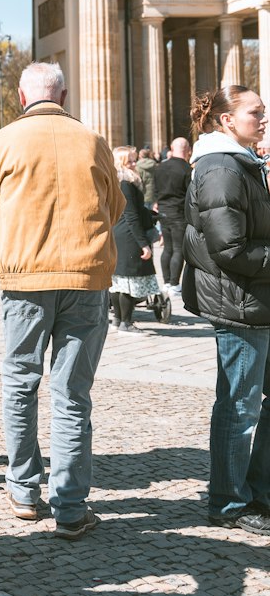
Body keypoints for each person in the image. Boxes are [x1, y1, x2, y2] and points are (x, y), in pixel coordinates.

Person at [0, 61, 123, 538]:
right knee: (72, 393)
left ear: (21, 97)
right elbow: (114, 205)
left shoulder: (1, 142)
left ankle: (22, 490)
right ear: (65, 94)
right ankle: (72, 506)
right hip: (86, 275)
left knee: (20, 382)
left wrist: (13, 247)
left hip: (26, 278)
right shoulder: (92, 140)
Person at [183, 85, 270, 534]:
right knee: (239, 407)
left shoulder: (242, 163)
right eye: (255, 112)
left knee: (248, 404)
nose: (264, 118)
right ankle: (230, 503)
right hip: (239, 302)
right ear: (226, 120)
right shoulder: (220, 167)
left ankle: (258, 492)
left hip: (257, 299)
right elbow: (229, 247)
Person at [109, 146, 159, 332]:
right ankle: (126, 322)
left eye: (134, 159)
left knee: (119, 279)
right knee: (130, 279)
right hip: (129, 236)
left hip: (118, 232)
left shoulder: (117, 181)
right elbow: (131, 216)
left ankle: (118, 319)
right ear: (121, 163)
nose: (134, 163)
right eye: (129, 160)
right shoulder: (126, 182)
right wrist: (144, 244)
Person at [154, 137, 192, 293]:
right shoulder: (186, 169)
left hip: (163, 210)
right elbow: (190, 194)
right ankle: (175, 284)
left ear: (171, 147)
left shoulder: (160, 167)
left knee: (167, 248)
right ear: (188, 149)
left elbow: (155, 189)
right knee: (178, 249)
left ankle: (167, 282)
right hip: (178, 212)